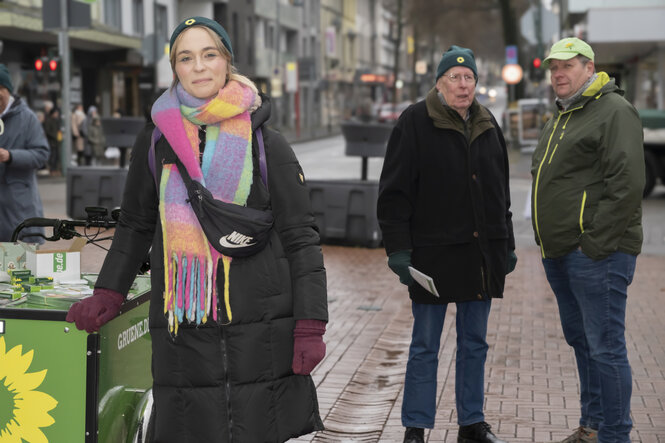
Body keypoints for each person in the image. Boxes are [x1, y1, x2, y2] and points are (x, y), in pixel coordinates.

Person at [65, 16, 328, 442]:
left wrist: (311, 324)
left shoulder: (267, 144)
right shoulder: (155, 141)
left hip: (260, 328)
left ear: (226, 61)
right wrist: (108, 292)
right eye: (186, 58)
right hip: (183, 327)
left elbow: (301, 237)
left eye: (209, 55)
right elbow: (135, 223)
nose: (199, 66)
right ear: (175, 68)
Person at [377, 45, 515, 443]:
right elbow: (394, 194)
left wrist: (504, 244)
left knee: (474, 343)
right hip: (432, 258)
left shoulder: (489, 125)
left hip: (479, 257)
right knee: (425, 345)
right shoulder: (414, 122)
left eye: (468, 77)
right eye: (454, 77)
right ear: (439, 84)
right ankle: (416, 426)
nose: (462, 84)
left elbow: (499, 193)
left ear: (476, 83)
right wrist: (398, 251)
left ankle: (471, 422)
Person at [531, 38, 644, 443]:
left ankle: (615, 435)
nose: (558, 74)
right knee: (584, 344)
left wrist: (594, 244)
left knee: (606, 348)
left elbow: (627, 184)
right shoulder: (562, 116)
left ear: (589, 68)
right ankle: (593, 427)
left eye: (567, 66)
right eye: (553, 68)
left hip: (598, 254)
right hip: (560, 253)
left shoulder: (613, 111)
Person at [0, 63, 50, 243]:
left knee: (20, 267)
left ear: (7, 90)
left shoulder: (27, 118)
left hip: (19, 208)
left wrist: (10, 156)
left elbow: (41, 154)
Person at [43, 107, 61, 174]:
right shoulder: (48, 120)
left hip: (57, 141)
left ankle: (56, 169)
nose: (56, 115)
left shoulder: (57, 121)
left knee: (57, 156)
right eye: (55, 113)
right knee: (52, 156)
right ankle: (52, 169)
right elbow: (47, 131)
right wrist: (55, 136)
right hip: (51, 141)